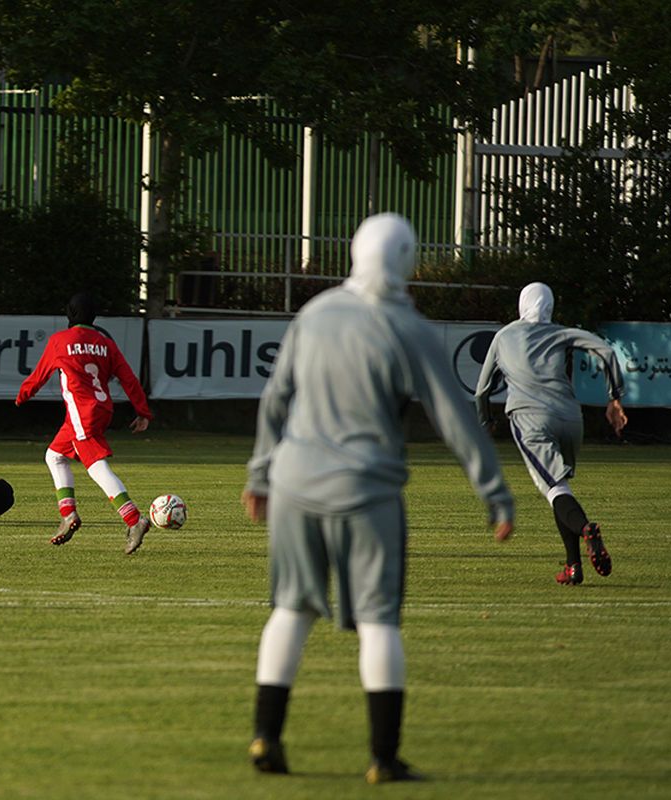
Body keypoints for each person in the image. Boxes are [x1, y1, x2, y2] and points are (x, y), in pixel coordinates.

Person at [241, 213, 515, 783]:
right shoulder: (408, 327)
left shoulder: (313, 313)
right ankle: (383, 759)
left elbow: (275, 399)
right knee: (378, 621)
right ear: (406, 259)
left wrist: (260, 474)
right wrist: (495, 494)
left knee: (291, 608)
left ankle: (266, 738)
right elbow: (454, 418)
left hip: (293, 485)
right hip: (367, 490)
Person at [474, 282, 627, 586]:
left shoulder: (504, 336)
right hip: (571, 419)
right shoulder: (560, 332)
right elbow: (607, 350)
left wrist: (485, 423)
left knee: (554, 489)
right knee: (559, 489)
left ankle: (587, 530)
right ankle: (573, 567)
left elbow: (482, 390)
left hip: (531, 419)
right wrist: (615, 398)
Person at [15, 291, 153, 554]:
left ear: (70, 314)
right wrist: (143, 412)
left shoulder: (60, 340)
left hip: (82, 413)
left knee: (95, 467)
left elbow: (39, 374)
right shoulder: (106, 343)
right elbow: (129, 379)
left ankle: (134, 519)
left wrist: (23, 395)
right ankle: (68, 514)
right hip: (101, 410)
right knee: (54, 456)